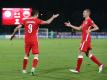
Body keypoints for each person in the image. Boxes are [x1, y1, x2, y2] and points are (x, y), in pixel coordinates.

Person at [10, 10, 59, 75]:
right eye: (38, 15)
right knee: (36, 55)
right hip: (34, 40)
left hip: (27, 40)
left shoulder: (25, 20)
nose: (38, 16)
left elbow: (16, 28)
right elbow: (48, 22)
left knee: (26, 55)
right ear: (36, 14)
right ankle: (33, 69)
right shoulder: (37, 20)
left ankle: (24, 70)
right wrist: (53, 17)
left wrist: (13, 35)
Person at [65, 9, 103, 73]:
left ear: (88, 13)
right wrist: (70, 25)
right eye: (83, 12)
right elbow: (79, 28)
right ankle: (100, 65)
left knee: (80, 53)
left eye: (84, 12)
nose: (83, 14)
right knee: (89, 54)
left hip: (86, 39)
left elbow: (97, 27)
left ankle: (77, 69)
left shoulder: (89, 20)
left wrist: (90, 30)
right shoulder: (84, 21)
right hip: (84, 39)